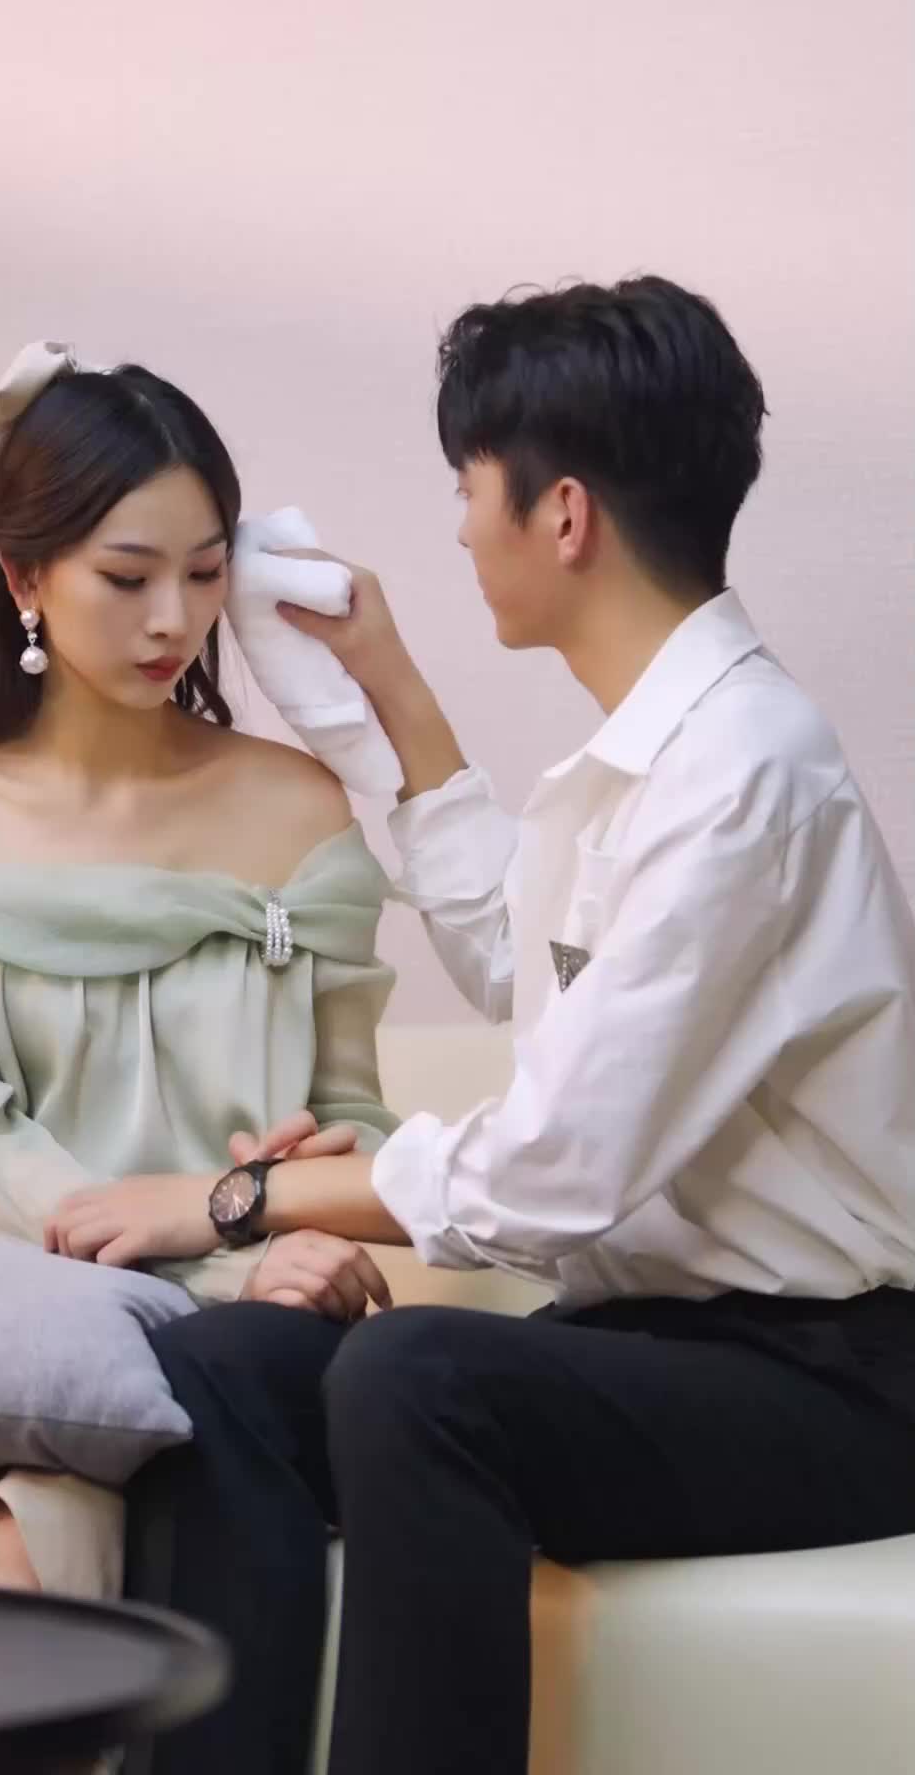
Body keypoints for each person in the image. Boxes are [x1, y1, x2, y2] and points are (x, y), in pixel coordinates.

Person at [78, 277, 915, 1775]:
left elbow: (557, 1169)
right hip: (653, 1345)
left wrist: (236, 1197)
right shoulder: (652, 757)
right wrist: (382, 681)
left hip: (832, 1382)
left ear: (563, 514)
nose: (463, 530)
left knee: (418, 1378)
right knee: (217, 1371)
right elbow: (517, 958)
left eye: (471, 489)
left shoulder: (746, 773)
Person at [0, 342, 397, 1600]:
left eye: (205, 573)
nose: (173, 622)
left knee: (25, 1554)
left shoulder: (295, 807)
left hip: (225, 1349)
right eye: (128, 576)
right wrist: (227, 1246)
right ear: (23, 575)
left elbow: (356, 1121)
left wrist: (302, 1204)